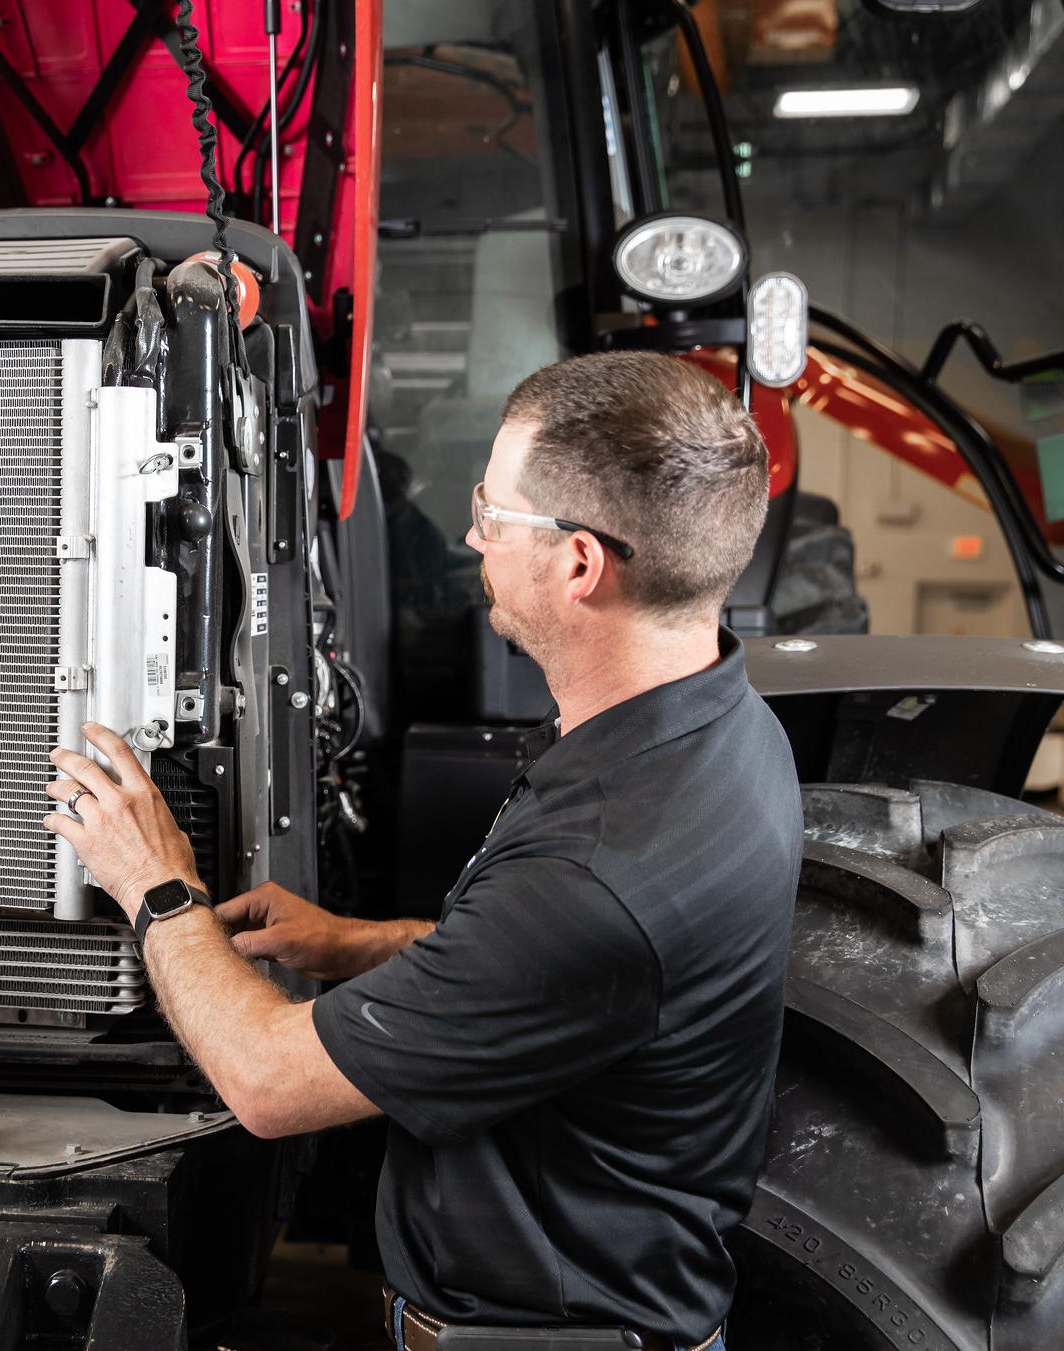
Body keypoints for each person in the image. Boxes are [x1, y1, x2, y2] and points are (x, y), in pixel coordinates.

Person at [44, 352, 801, 1351]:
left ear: (578, 564)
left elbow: (268, 1085)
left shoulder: (597, 872)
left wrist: (153, 883)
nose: (469, 537)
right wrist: (354, 944)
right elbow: (546, 984)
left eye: (491, 511)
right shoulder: (722, 732)